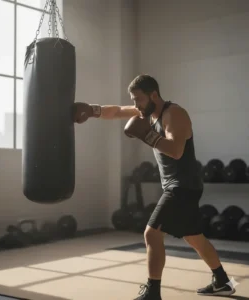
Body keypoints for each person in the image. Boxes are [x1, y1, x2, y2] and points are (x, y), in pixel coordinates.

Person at [72, 74, 236, 300]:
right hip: (180, 185)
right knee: (193, 236)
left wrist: (147, 135)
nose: (135, 105)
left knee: (151, 233)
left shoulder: (173, 114)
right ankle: (223, 281)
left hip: (182, 185)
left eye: (138, 99)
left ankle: (152, 292)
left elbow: (176, 151)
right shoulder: (146, 112)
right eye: (133, 100)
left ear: (154, 95)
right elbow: (118, 111)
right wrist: (92, 110)